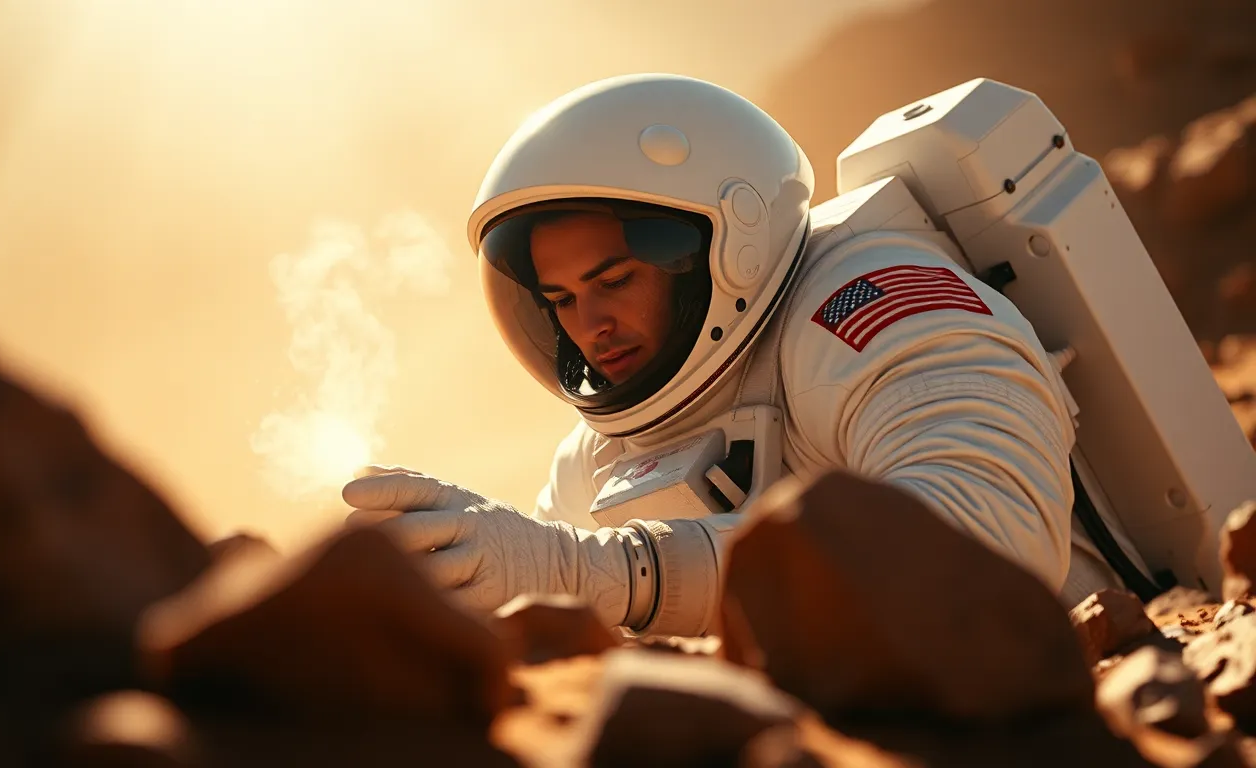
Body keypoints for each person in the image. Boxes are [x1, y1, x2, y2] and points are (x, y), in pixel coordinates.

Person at [342, 74, 1128, 638]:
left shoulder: (867, 305)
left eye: (614, 278)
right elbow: (565, 601)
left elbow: (988, 541)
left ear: (730, 247)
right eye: (560, 299)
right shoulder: (599, 454)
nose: (589, 325)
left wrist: (607, 575)